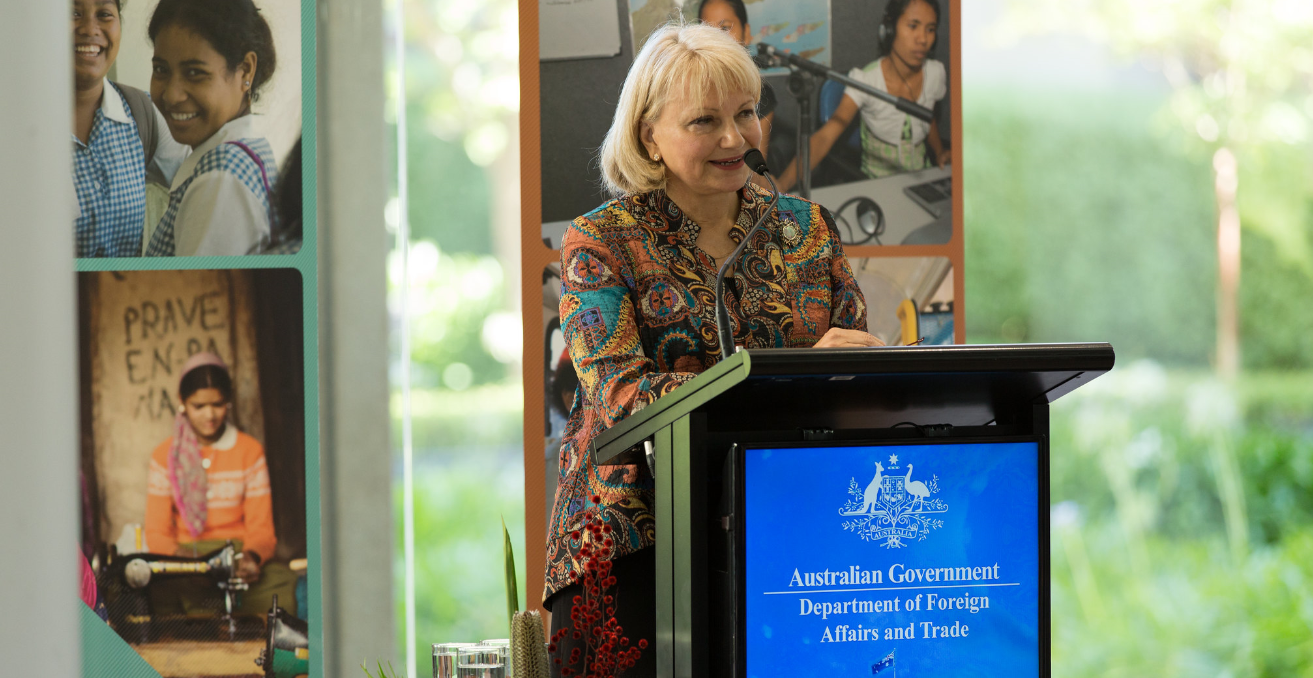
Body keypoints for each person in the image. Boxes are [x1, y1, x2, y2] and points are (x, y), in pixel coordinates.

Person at [545, 21, 880, 677]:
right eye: (704, 121)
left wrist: (859, 372)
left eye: (745, 113)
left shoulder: (803, 228)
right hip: (632, 545)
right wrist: (783, 376)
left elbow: (852, 358)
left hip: (786, 529)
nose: (734, 138)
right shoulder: (600, 241)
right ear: (649, 134)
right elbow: (621, 396)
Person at [144, 352, 297, 617]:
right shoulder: (164, 456)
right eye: (198, 406)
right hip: (184, 560)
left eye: (217, 404)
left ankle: (207, 610)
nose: (210, 415)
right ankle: (217, 608)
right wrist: (190, 564)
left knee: (287, 584)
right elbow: (156, 533)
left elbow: (262, 530)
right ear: (182, 403)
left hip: (234, 557)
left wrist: (252, 558)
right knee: (139, 588)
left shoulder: (250, 451)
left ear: (228, 402)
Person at [143, 0, 280, 257]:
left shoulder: (219, 181)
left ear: (245, 70)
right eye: (161, 70)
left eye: (195, 72)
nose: (172, 95)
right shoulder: (251, 145)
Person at [777, 0, 949, 191]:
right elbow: (825, 137)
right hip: (878, 185)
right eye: (913, 26)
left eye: (930, 29)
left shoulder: (935, 73)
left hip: (923, 181)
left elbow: (928, 116)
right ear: (889, 29)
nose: (923, 39)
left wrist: (940, 151)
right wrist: (781, 185)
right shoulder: (866, 81)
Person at [72, 0, 188, 258]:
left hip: (125, 295)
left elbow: (196, 187)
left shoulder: (143, 112)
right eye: (74, 13)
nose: (90, 28)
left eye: (104, 14)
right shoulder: (17, 129)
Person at [697, 0, 775, 162]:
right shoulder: (685, 90)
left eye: (725, 28)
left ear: (746, 33)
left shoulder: (761, 92)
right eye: (708, 31)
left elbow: (755, 173)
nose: (717, 39)